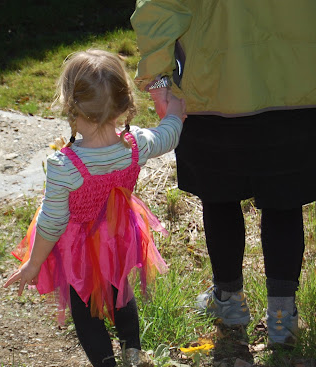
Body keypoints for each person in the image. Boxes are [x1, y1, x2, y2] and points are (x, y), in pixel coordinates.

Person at [131, 1, 316, 347]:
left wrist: (158, 79)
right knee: (284, 201)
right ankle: (281, 319)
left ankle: (229, 302)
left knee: (219, 198)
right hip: (298, 86)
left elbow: (158, 6)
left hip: (213, 87)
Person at [4, 49, 185, 367]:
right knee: (120, 290)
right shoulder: (137, 145)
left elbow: (52, 222)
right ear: (123, 104)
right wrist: (174, 109)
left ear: (71, 105)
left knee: (86, 313)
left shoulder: (64, 164)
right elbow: (169, 134)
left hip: (79, 250)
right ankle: (133, 351)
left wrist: (34, 262)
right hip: (119, 236)